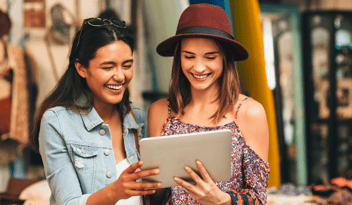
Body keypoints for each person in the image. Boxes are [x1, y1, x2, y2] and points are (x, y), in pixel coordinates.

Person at [148, 3, 270, 205]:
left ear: (225, 58)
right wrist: (149, 184)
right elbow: (155, 199)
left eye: (210, 57)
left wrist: (222, 200)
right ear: (178, 58)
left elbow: (258, 198)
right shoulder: (160, 111)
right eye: (189, 56)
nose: (198, 67)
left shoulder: (249, 112)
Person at [31, 17, 161, 205]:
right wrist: (115, 191)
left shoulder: (135, 116)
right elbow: (68, 202)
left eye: (127, 65)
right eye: (108, 67)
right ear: (81, 68)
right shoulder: (57, 121)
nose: (120, 76)